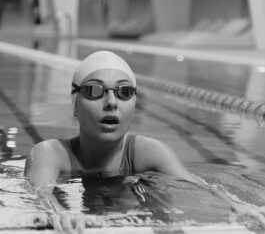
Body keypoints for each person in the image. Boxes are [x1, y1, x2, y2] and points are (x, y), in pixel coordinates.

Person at [24, 50, 265, 232]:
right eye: (94, 91)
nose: (111, 102)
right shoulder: (50, 154)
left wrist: (238, 207)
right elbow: (40, 193)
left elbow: (198, 186)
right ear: (75, 105)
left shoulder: (150, 153)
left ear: (134, 104)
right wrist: (57, 213)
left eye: (124, 91)